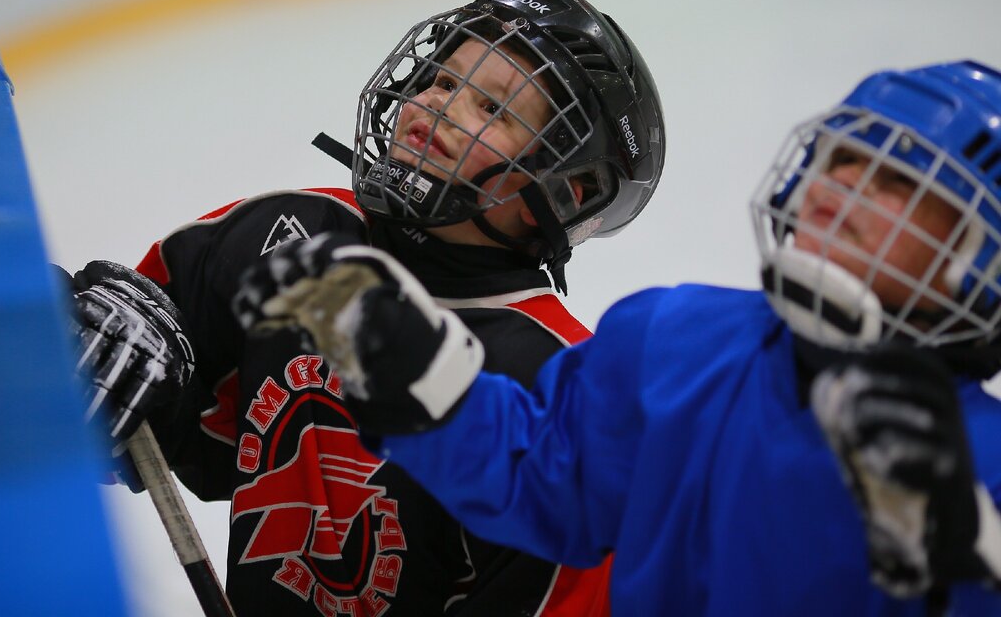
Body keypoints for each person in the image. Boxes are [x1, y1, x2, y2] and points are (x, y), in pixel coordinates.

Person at [235, 60, 1001, 616]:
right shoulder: (674, 338)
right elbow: (538, 477)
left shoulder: (984, 466)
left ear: (983, 258)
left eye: (900, 184)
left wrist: (970, 554)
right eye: (842, 161)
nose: (843, 193)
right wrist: (410, 370)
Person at [63, 0, 667, 615]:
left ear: (565, 194)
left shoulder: (549, 379)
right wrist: (104, 354)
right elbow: (172, 429)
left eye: (493, 110)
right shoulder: (290, 235)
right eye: (441, 80)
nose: (440, 108)